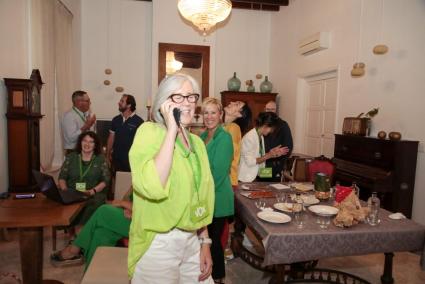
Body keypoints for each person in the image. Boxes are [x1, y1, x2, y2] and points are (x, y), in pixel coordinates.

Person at [128, 73, 215, 283]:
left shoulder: (198, 144)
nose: (187, 103)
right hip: (159, 242)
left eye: (191, 97)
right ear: (163, 103)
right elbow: (152, 186)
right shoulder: (149, 132)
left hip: (192, 238)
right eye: (178, 97)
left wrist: (205, 242)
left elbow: (200, 197)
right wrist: (171, 131)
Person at [50, 187, 133, 268]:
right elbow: (126, 198)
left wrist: (127, 205)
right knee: (100, 233)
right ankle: (92, 276)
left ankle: (74, 248)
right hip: (132, 216)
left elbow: (145, 211)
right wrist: (127, 206)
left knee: (103, 211)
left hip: (142, 224)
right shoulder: (139, 176)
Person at [200, 98, 233, 283]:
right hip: (205, 196)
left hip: (217, 198)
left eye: (213, 112)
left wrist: (197, 189)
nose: (209, 116)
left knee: (212, 242)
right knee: (205, 242)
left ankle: (218, 278)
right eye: (206, 113)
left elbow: (218, 173)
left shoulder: (224, 137)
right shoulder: (204, 136)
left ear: (220, 115)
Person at [58, 131, 110, 230]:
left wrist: (92, 191)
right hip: (72, 193)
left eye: (91, 142)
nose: (87, 144)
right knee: (65, 206)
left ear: (95, 145)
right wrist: (65, 191)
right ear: (80, 142)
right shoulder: (71, 157)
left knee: (91, 206)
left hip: (92, 193)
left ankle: (82, 233)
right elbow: (62, 177)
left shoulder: (100, 159)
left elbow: (105, 180)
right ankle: (73, 233)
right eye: (84, 141)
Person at [238, 112, 289, 183]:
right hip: (245, 179)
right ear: (265, 126)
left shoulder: (260, 136)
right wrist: (269, 155)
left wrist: (272, 154)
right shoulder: (249, 137)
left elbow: (260, 162)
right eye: (272, 129)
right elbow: (250, 162)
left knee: (277, 178)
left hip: (256, 176)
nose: (272, 131)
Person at [106, 94, 144, 172]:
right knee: (116, 182)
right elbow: (111, 138)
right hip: (116, 159)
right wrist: (107, 155)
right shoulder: (116, 119)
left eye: (122, 101)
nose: (119, 103)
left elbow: (142, 143)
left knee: (128, 183)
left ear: (129, 105)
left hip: (131, 161)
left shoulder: (139, 121)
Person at [222, 101, 252, 187]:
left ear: (239, 115)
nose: (231, 102)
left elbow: (227, 156)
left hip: (227, 180)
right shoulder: (224, 126)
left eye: (237, 104)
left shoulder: (234, 128)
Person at [263, 101, 293, 181]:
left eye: (272, 109)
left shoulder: (283, 125)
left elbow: (288, 146)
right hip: (261, 162)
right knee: (261, 185)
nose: (269, 111)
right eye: (267, 109)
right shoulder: (262, 124)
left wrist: (279, 160)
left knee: (270, 186)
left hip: (275, 164)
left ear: (276, 111)